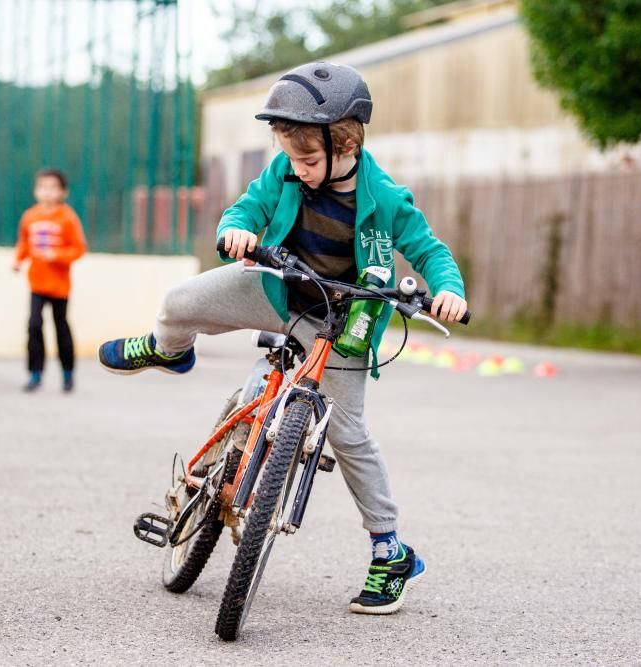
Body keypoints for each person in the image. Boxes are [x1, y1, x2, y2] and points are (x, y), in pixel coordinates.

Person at [99, 62, 468, 614]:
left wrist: (448, 289)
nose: (299, 168)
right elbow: (249, 206)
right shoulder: (285, 170)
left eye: (310, 159)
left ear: (345, 143)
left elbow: (429, 250)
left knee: (349, 436)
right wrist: (237, 227)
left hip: (343, 322)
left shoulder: (384, 196)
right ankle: (169, 351)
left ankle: (390, 551)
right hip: (278, 292)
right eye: (293, 157)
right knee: (178, 303)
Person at [13, 169, 86, 393]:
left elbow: (79, 248)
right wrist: (18, 260)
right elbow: (24, 243)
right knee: (34, 325)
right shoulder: (29, 216)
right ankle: (35, 373)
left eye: (53, 188)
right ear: (36, 191)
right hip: (37, 283)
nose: (47, 192)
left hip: (59, 286)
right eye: (43, 187)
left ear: (63, 192)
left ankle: (68, 373)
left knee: (61, 328)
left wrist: (58, 256)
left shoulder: (67, 217)